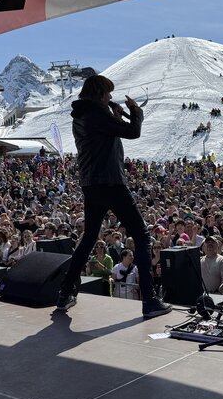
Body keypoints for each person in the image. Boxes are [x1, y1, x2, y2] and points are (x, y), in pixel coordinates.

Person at [56, 75, 172, 319]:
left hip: (91, 184)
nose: (110, 97)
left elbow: (106, 138)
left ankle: (65, 292)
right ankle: (150, 300)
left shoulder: (82, 115)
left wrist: (116, 116)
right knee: (141, 235)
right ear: (99, 94)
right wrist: (135, 110)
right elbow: (134, 132)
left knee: (88, 238)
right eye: (108, 93)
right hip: (110, 182)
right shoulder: (98, 114)